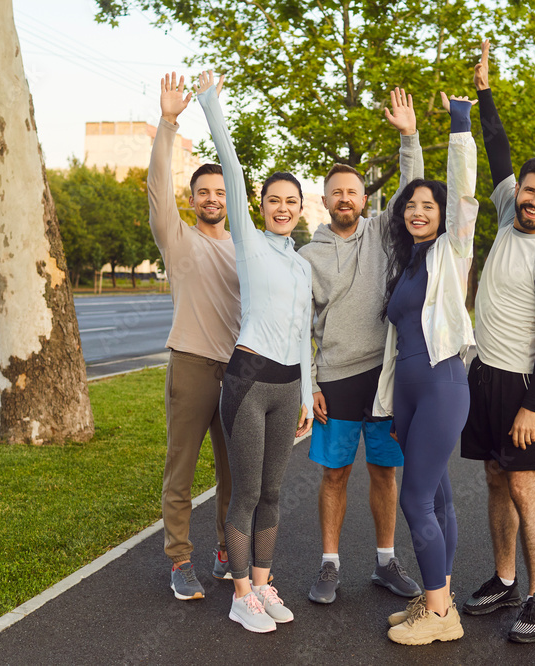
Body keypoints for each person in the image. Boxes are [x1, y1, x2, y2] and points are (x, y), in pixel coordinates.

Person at [458, 40, 535, 644]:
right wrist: (484, 92)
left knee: (525, 486)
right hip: (484, 372)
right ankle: (504, 579)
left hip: (524, 384)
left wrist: (532, 404)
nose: (531, 200)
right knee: (495, 479)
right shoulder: (507, 211)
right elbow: (496, 146)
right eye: (527, 190)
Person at [196, 70, 314, 634]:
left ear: (300, 208)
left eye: (291, 201)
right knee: (244, 492)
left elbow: (302, 333)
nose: (282, 207)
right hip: (247, 381)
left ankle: (263, 584)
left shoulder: (300, 262)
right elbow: (234, 169)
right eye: (274, 200)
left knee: (273, 492)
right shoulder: (249, 243)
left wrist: (308, 393)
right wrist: (210, 105)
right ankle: (240, 593)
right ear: (261, 205)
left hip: (288, 384)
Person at [298, 88, 422, 605]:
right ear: (324, 201)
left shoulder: (382, 234)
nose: (345, 198)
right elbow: (297, 327)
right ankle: (329, 567)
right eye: (336, 193)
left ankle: (386, 563)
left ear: (364, 199)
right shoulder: (307, 255)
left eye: (353, 192)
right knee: (334, 475)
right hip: (336, 381)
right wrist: (309, 386)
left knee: (384, 473)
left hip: (384, 375)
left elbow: (414, 190)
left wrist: (409, 137)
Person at [373, 91, 479, 646]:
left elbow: (463, 193)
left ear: (441, 217)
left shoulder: (449, 251)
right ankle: (440, 595)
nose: (418, 212)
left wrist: (459, 120)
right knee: (435, 496)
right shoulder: (407, 260)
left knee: (413, 498)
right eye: (411, 205)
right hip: (410, 392)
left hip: (441, 384)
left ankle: (440, 615)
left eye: (427, 207)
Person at [148, 72, 240, 601]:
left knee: (235, 475)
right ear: (192, 198)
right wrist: (168, 122)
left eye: (220, 191)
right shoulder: (177, 240)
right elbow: (156, 188)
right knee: (180, 470)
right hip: (191, 365)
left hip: (239, 372)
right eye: (203, 191)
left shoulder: (245, 245)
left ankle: (227, 549)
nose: (212, 197)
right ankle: (180, 561)